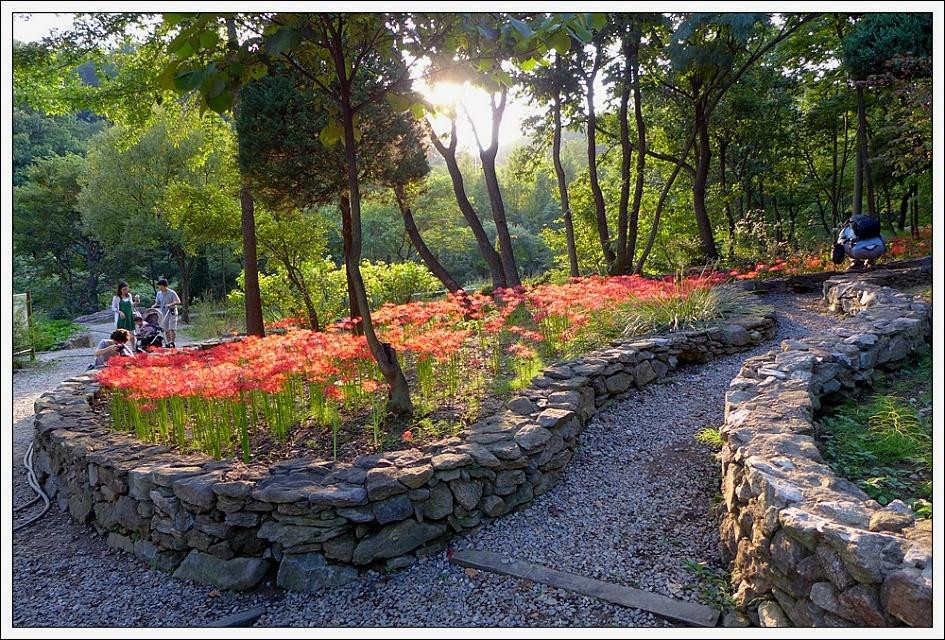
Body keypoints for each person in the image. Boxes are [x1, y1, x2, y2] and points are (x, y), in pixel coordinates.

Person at [153, 278, 182, 348]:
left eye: (160, 286)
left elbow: (178, 301)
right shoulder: (159, 293)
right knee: (166, 329)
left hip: (172, 312)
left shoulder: (172, 292)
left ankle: (173, 342)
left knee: (172, 328)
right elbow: (157, 302)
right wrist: (153, 306)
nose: (159, 287)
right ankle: (169, 342)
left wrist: (171, 304)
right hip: (163, 313)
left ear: (164, 286)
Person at [111, 281, 138, 350]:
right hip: (121, 318)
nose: (125, 291)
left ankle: (134, 348)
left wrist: (136, 302)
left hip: (129, 316)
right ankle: (121, 349)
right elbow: (113, 308)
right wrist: (119, 312)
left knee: (132, 333)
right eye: (124, 289)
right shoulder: (116, 297)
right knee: (121, 334)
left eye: (126, 289)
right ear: (120, 289)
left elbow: (131, 305)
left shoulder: (129, 295)